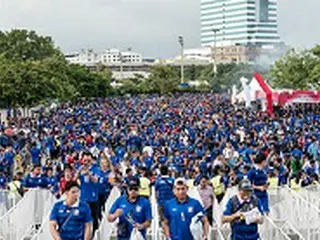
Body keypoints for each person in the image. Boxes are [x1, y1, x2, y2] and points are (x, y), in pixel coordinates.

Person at [74, 151, 99, 233]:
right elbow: (73, 181)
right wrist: (78, 172)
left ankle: (94, 235)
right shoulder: (80, 169)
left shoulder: (96, 169)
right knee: (83, 218)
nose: (87, 163)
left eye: (88, 160)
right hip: (83, 198)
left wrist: (89, 173)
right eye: (85, 161)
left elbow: (95, 180)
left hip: (93, 198)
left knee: (94, 219)